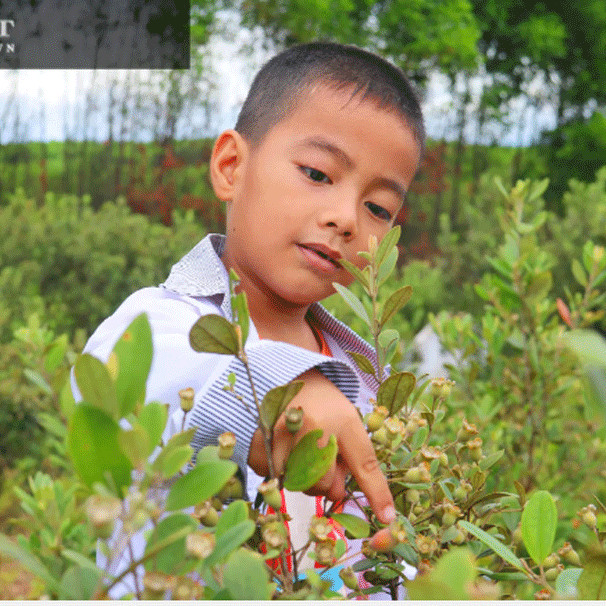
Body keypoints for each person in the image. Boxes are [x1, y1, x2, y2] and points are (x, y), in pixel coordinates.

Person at [76, 41, 424, 595]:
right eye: (317, 173)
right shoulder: (155, 324)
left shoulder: (360, 377)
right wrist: (284, 393)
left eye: (378, 208)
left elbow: (374, 548)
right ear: (232, 167)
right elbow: (159, 374)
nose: (345, 219)